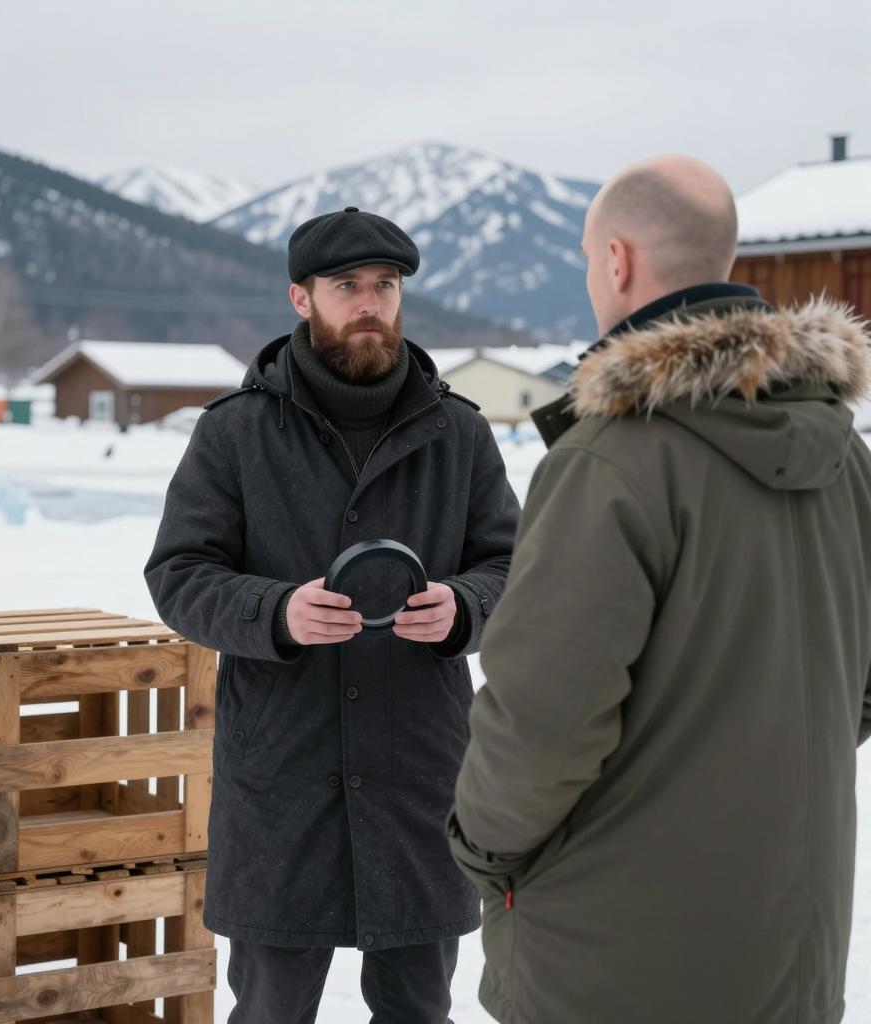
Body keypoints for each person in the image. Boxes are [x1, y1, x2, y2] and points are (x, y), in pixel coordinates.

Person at [447, 154, 871, 1024]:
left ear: (617, 261)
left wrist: (481, 850)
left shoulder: (612, 461)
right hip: (793, 938)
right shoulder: (846, 456)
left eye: (585, 258)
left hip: (612, 955)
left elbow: (543, 723)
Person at [145, 206, 519, 1023]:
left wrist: (465, 608)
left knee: (419, 1008)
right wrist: (275, 611)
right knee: (272, 1009)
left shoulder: (458, 432)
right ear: (301, 297)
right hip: (283, 775)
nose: (369, 303)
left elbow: (513, 569)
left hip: (418, 771)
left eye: (385, 285)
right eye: (346, 286)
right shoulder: (235, 433)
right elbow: (179, 574)